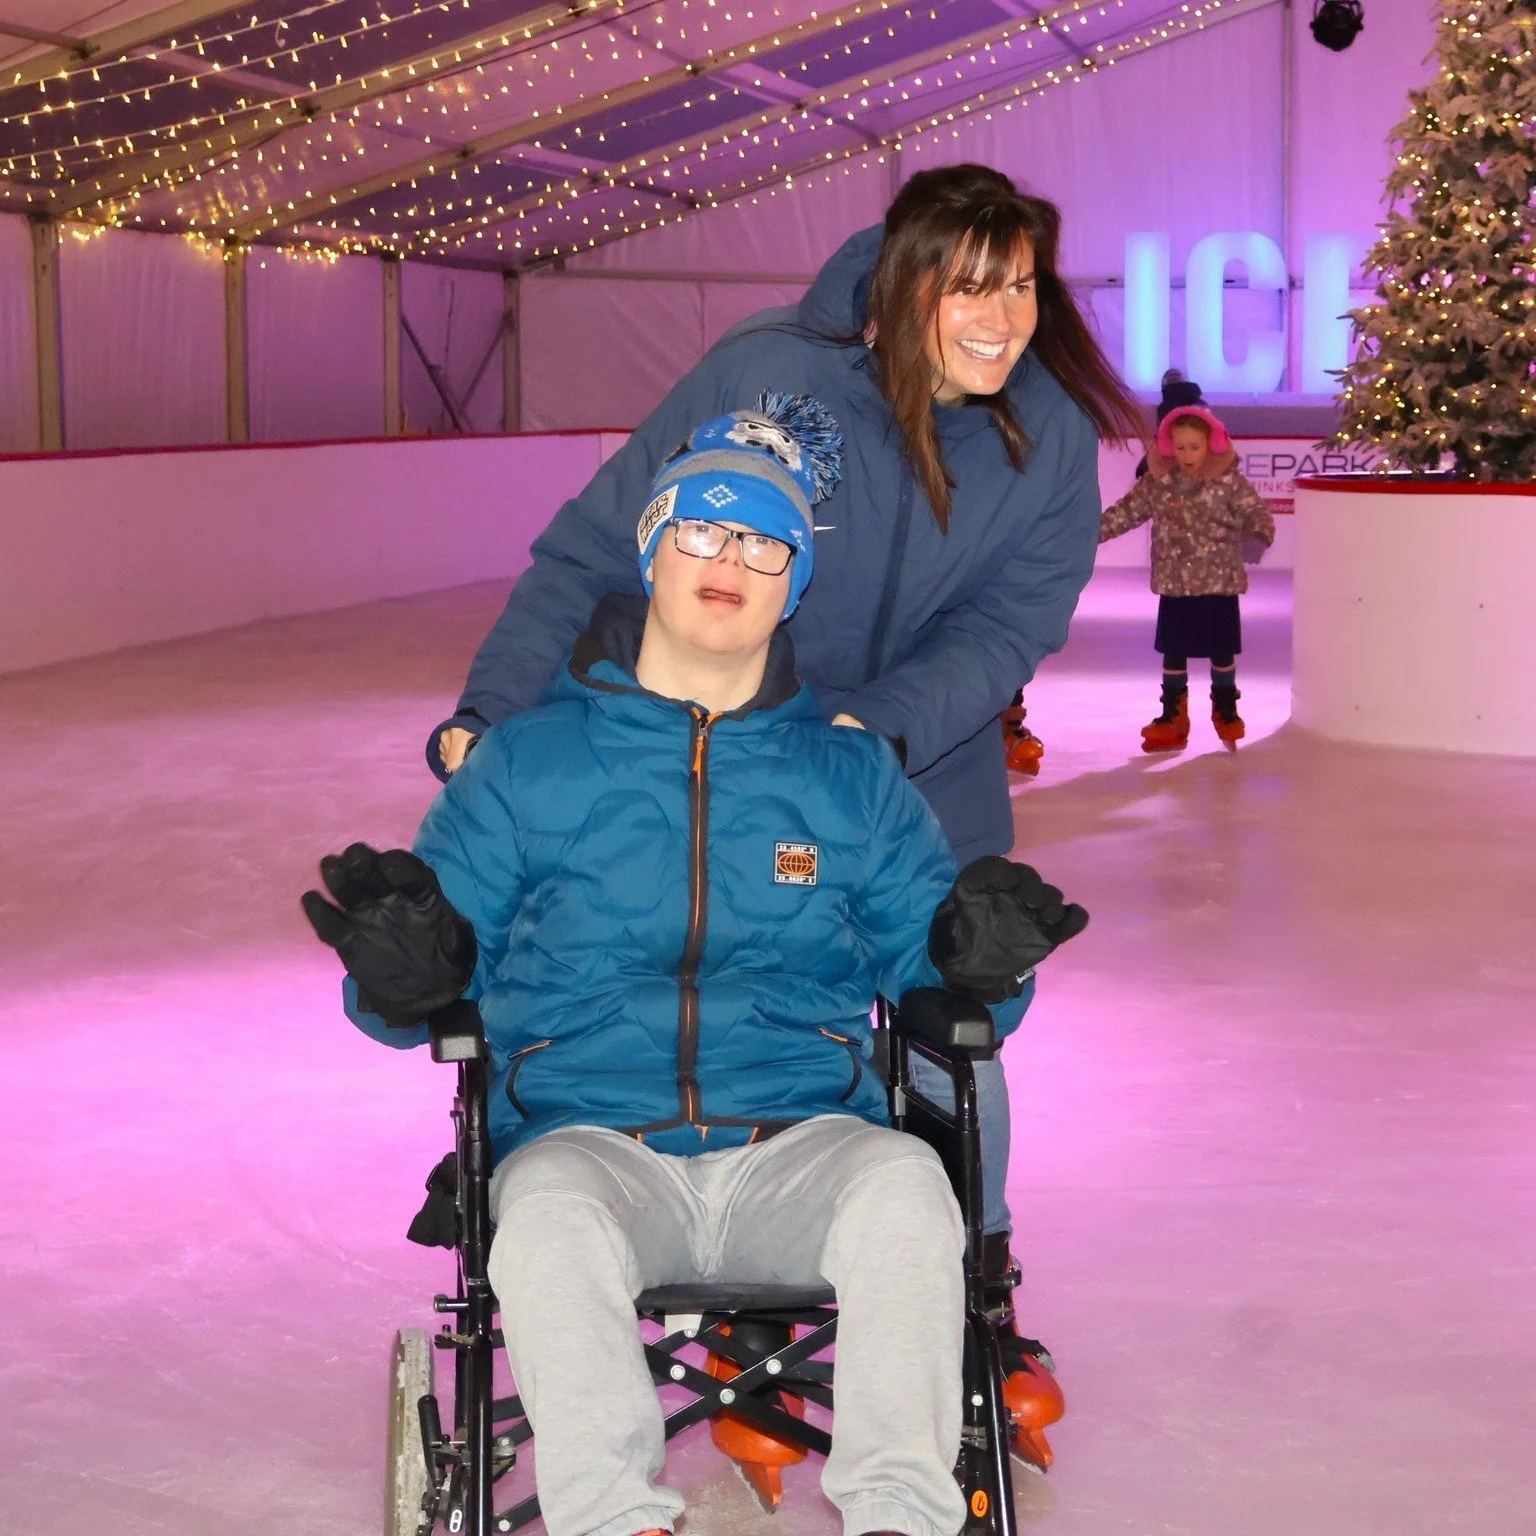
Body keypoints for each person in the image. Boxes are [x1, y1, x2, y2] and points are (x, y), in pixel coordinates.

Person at [303, 402, 1087, 1536]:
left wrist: (981, 963)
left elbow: (940, 970)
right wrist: (404, 974)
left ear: (795, 580)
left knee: (910, 1190)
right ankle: (619, 1520)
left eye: (766, 543)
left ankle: (903, 1518)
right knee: (550, 1222)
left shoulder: (849, 778)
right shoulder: (531, 765)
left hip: (798, 1145)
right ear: (653, 548)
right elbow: (415, 981)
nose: (732, 562)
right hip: (589, 1142)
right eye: (703, 532)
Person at [424, 164, 1142, 1387]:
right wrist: (493, 710)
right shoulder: (773, 371)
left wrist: (878, 730)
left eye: (1021, 285)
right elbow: (597, 546)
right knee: (712, 955)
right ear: (908, 282)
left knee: (953, 1021)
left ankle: (978, 1273)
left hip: (918, 767)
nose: (1003, 316)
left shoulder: (1052, 435)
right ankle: (724, 1231)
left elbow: (1012, 627)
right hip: (718, 725)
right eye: (970, 286)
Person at [1098, 404, 1275, 750]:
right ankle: (1172, 715)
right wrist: (1088, 532)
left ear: (1211, 444)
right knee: (1173, 650)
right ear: (1168, 446)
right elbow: (1127, 512)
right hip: (1175, 583)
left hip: (1218, 583)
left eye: (1194, 447)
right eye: (1180, 447)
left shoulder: (1229, 482)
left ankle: (1225, 707)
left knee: (1221, 649)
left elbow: (1258, 514)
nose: (1187, 454)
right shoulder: (1159, 482)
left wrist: (1256, 539)